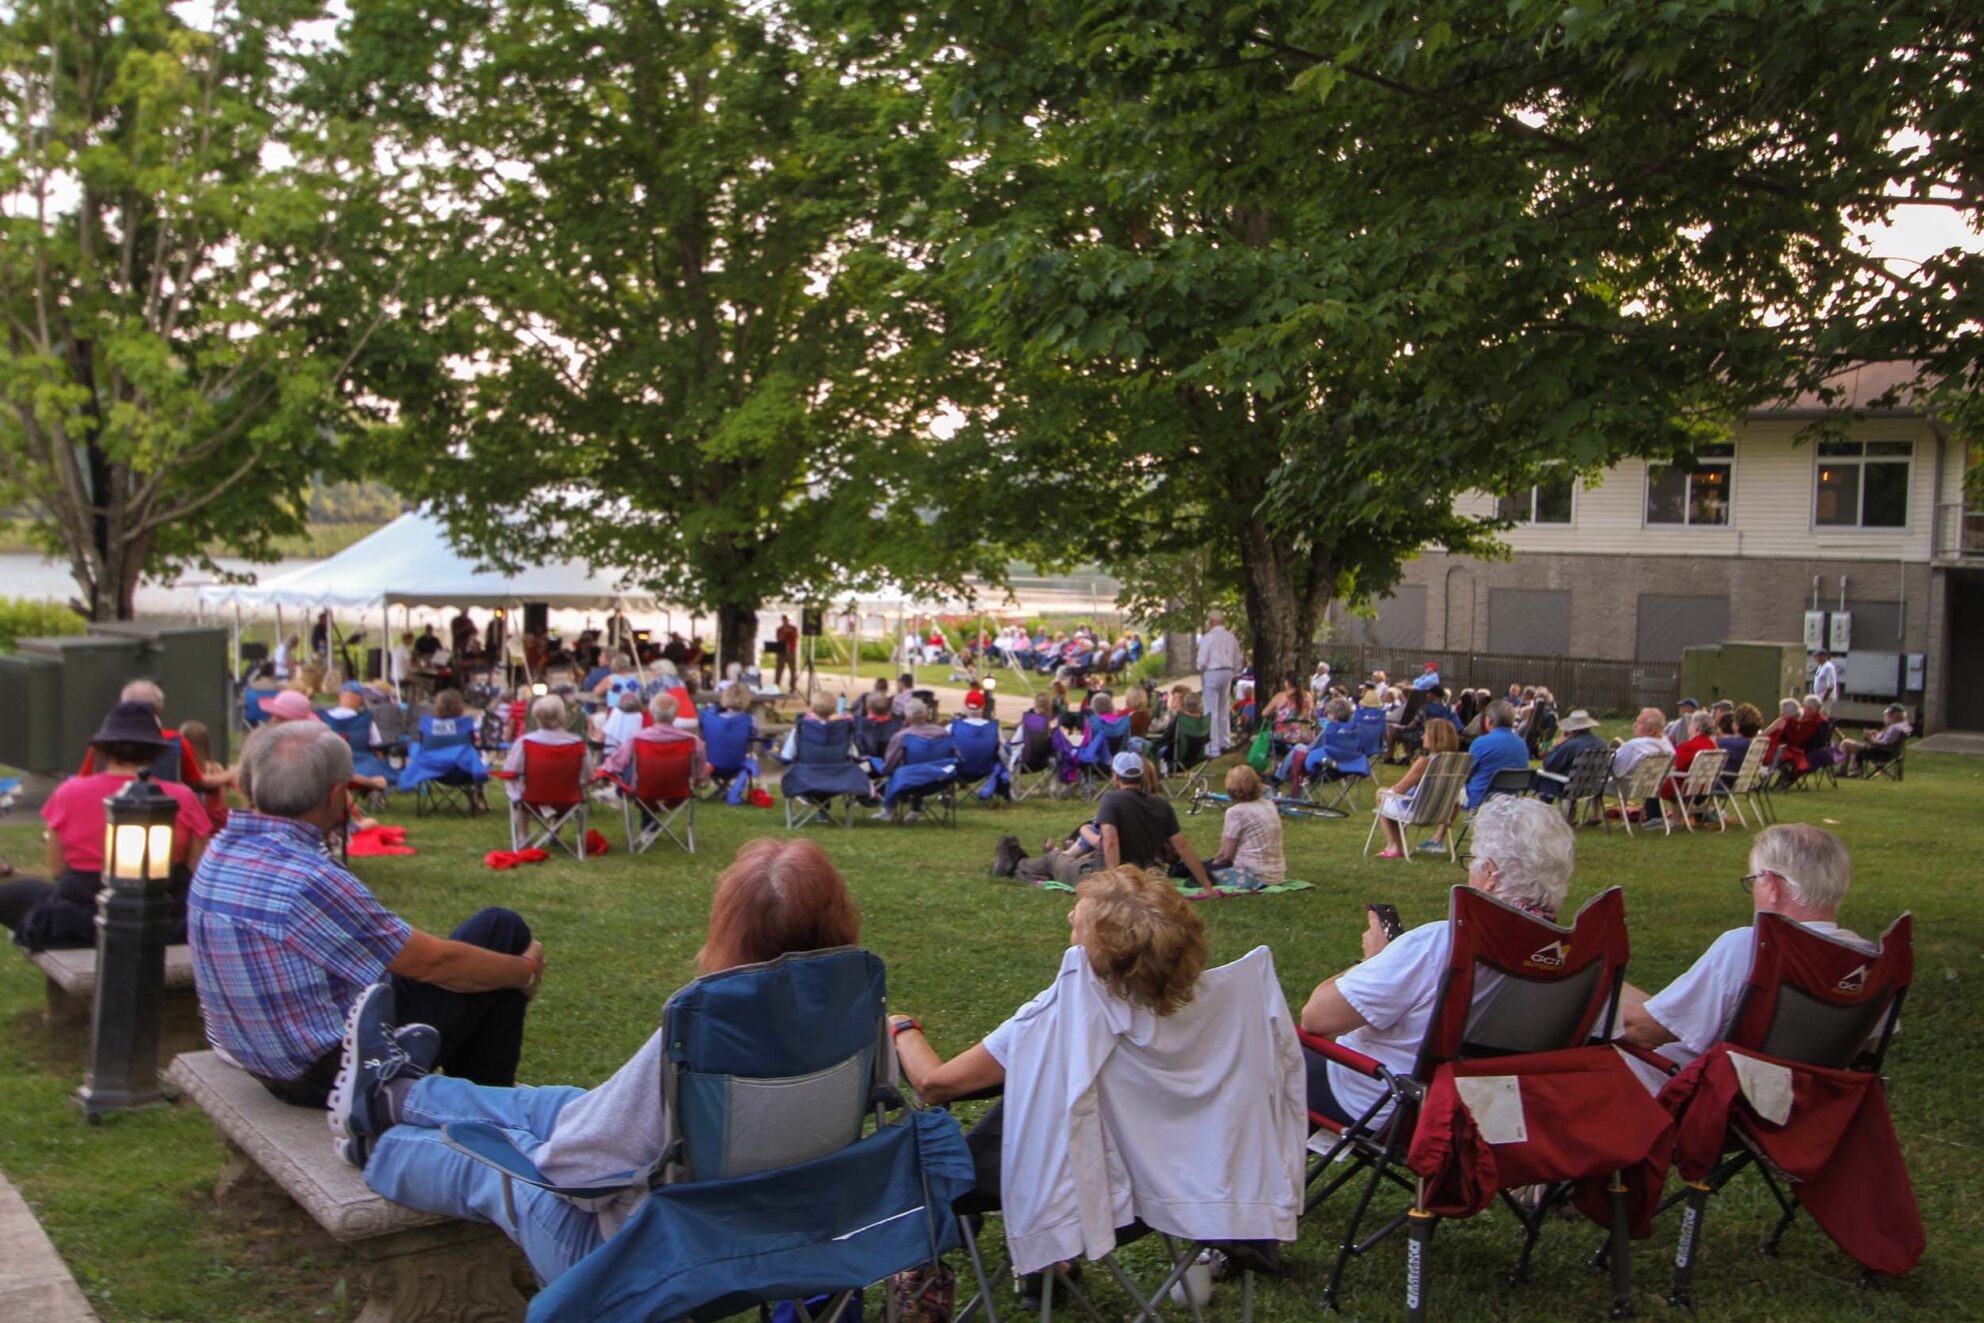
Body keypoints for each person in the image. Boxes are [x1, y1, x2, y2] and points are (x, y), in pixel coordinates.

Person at [322, 838, 856, 1285]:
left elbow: (575, 1172)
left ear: (728, 931)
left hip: (633, 1257)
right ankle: (398, 1095)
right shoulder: (853, 1024)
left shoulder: (705, 1033)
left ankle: (374, 1145)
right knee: (560, 1104)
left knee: (490, 1160)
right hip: (755, 1227)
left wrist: (538, 1143)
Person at [188, 722, 543, 1111]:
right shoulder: (308, 878)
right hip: (331, 1072)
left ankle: (477, 1096)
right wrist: (522, 972)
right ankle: (486, 1103)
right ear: (337, 795)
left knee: (479, 949)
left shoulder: (222, 851)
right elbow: (434, 964)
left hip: (265, 1058)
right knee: (502, 930)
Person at [889, 865, 1218, 1273]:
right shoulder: (1202, 1009)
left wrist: (902, 1028)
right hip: (1174, 1181)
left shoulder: (1057, 1016)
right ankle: (1052, 1267)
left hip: (1074, 1196)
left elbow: (935, 1085)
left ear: (1101, 949)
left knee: (970, 1145)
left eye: (1079, 918)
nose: (1068, 917)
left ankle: (1019, 1247)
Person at [1301, 797, 1575, 1125]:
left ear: (1490, 874)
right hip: (1492, 1115)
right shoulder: (1567, 958)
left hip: (1391, 1105)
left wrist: (1374, 960)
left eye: (1471, 859)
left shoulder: (1439, 945)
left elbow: (1316, 1019)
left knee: (1271, 1052)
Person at [1621, 825, 1869, 1072]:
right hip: (1811, 1100)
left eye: (1753, 880)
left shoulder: (1749, 947)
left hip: (1705, 1094)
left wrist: (1587, 1002)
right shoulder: (1864, 960)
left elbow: (1644, 1031)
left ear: (1771, 884)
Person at [0, 702, 215, 951]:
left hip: (80, 917)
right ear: (156, 752)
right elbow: (199, 872)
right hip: (165, 914)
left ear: (103, 749)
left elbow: (58, 868)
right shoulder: (182, 797)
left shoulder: (69, 793)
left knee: (23, 895)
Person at [1010, 752, 1213, 889]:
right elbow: (1183, 846)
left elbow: (1110, 841)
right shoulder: (1161, 804)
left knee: (1052, 860)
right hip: (1144, 876)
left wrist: (1115, 884)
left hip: (1102, 876)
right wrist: (1206, 884)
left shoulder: (1112, 800)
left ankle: (1015, 863)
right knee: (1069, 861)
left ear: (1115, 776)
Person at [1372, 718, 1461, 858]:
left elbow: (1398, 790)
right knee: (1392, 798)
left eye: (1426, 734)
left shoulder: (1426, 762)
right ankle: (1399, 846)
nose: (1422, 736)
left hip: (1419, 812)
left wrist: (1384, 792)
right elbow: (1457, 799)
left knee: (1383, 794)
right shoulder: (1458, 763)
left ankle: (1395, 846)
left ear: (1435, 738)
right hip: (1442, 813)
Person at [502, 695, 594, 822]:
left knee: (518, 790)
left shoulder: (524, 742)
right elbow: (589, 775)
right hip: (569, 800)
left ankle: (523, 836)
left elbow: (510, 771)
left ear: (537, 717)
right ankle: (555, 830)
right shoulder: (578, 744)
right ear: (563, 716)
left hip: (530, 799)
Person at [600, 692, 710, 789]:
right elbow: (700, 774)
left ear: (651, 714)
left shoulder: (636, 739)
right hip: (679, 790)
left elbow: (616, 763)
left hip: (642, 789)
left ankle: (646, 807)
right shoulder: (692, 741)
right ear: (676, 714)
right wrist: (700, 777)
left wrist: (602, 770)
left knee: (631, 766)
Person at [1204, 765, 1285, 891]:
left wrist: (1209, 867)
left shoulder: (1236, 812)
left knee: (1198, 873)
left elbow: (1225, 855)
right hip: (1277, 875)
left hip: (1251, 875)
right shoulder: (1270, 805)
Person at [1462, 700, 1530, 810]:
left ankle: (1444, 826)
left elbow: (1466, 773)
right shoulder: (1522, 744)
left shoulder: (1481, 742)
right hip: (1512, 800)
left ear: (1488, 720)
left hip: (1481, 799)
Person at [1195, 609, 1244, 757]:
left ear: (1211, 621)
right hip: (1227, 672)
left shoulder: (1208, 638)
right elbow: (1238, 659)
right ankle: (1225, 741)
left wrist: (1200, 667)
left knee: (1211, 710)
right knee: (1224, 708)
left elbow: (1202, 660)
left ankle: (1212, 746)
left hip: (1213, 672)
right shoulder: (1231, 638)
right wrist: (1236, 670)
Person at [1534, 709, 1604, 804]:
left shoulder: (1571, 745)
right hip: (1594, 787)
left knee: (1544, 778)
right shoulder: (1601, 744)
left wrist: (1558, 746)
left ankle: (1545, 809)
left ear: (1572, 729)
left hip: (1569, 787)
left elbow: (1549, 765)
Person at [1843, 703, 1912, 776]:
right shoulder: (1903, 726)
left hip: (1881, 753)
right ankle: (1855, 768)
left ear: (1895, 716)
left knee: (1846, 743)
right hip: (1891, 752)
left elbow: (1883, 744)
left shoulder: (1895, 728)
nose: (1886, 717)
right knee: (1853, 744)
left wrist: (1870, 737)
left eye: (1889, 714)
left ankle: (1849, 770)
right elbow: (1888, 739)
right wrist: (1877, 734)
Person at [1611, 707, 1674, 778]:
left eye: (1639, 722)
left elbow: (1614, 769)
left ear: (1651, 730)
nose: (1634, 725)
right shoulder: (1667, 746)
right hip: (1654, 787)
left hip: (1623, 787)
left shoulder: (1634, 746)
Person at [774, 614, 800, 690]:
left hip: (791, 652)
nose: (786, 621)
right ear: (783, 620)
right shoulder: (779, 629)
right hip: (781, 652)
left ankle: (793, 687)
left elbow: (796, 637)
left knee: (793, 671)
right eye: (785, 620)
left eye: (787, 620)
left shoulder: (793, 628)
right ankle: (776, 686)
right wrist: (784, 632)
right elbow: (779, 639)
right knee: (779, 670)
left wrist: (790, 631)